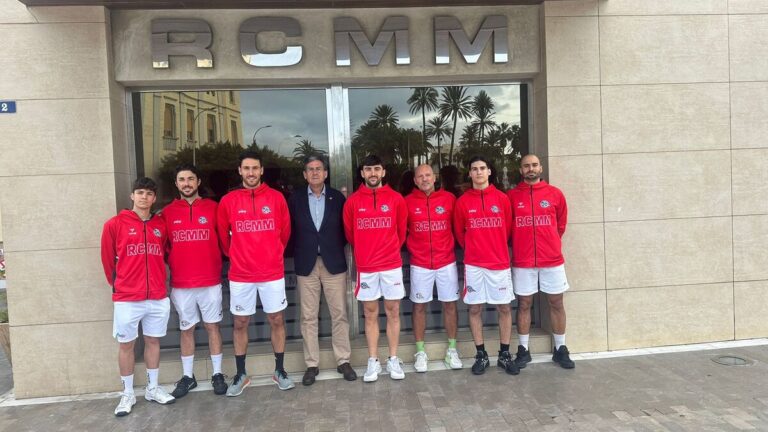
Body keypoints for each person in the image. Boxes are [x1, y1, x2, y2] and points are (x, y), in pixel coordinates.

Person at [216, 151, 294, 395]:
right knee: (240, 322)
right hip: (241, 274)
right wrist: (237, 255)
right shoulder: (228, 201)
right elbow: (223, 237)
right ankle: (241, 374)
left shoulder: (277, 198)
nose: (251, 173)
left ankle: (279, 370)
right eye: (246, 168)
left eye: (255, 168)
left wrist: (272, 253)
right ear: (240, 171)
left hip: (271, 272)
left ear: (261, 171)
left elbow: (285, 233)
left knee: (277, 319)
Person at [100, 177, 175, 417]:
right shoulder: (114, 224)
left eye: (149, 194)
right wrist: (119, 286)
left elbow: (165, 254)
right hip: (127, 298)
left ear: (154, 198)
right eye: (140, 192)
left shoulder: (160, 225)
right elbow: (107, 260)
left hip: (157, 296)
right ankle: (127, 393)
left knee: (153, 341)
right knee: (126, 345)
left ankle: (152, 389)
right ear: (132, 196)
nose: (144, 197)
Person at [288, 155, 357, 386]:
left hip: (333, 263)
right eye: (310, 169)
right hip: (306, 264)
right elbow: (289, 231)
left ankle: (343, 360)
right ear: (304, 174)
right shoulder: (295, 199)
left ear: (326, 173)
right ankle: (311, 364)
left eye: (319, 169)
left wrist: (332, 247)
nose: (315, 172)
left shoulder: (337, 198)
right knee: (308, 317)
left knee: (340, 314)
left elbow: (346, 231)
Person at [162, 164, 227, 398]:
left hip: (210, 280)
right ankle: (188, 377)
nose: (186, 183)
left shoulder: (214, 208)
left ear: (198, 182)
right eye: (182, 179)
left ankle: (217, 373)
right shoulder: (167, 213)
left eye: (191, 179)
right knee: (186, 328)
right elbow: (163, 247)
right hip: (181, 283)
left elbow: (224, 241)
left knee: (212, 327)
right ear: (176, 183)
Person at [343, 154, 408, 382]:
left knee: (393, 311)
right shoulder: (352, 202)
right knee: (370, 313)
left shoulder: (396, 199)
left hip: (391, 265)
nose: (373, 173)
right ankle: (373, 361)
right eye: (368, 169)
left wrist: (387, 250)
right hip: (367, 267)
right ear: (362, 173)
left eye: (377, 169)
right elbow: (350, 234)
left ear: (383, 172)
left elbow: (401, 232)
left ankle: (393, 358)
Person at [507, 154, 574, 369]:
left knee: (556, 303)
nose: (531, 169)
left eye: (534, 165)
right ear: (521, 170)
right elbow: (507, 228)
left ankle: (560, 349)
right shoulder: (511, 196)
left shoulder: (555, 194)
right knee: (524, 304)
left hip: (551, 259)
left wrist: (549, 243)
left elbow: (560, 225)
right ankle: (523, 350)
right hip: (523, 260)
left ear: (541, 168)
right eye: (526, 166)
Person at [453, 156, 519, 376]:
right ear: (469, 173)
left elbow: (507, 230)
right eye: (474, 169)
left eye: (482, 168)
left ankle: (504, 354)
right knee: (474, 308)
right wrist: (475, 249)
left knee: (504, 308)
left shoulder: (502, 199)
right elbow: (460, 233)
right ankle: (481, 355)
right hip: (474, 265)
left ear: (489, 172)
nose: (479, 172)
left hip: (499, 263)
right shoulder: (462, 202)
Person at [405, 164, 462, 372]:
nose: (424, 179)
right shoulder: (407, 202)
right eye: (420, 176)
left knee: (450, 305)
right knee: (419, 306)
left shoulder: (449, 199)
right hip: (420, 263)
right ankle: (420, 352)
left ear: (434, 177)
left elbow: (458, 228)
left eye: (428, 175)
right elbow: (401, 230)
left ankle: (452, 350)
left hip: (446, 261)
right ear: (415, 181)